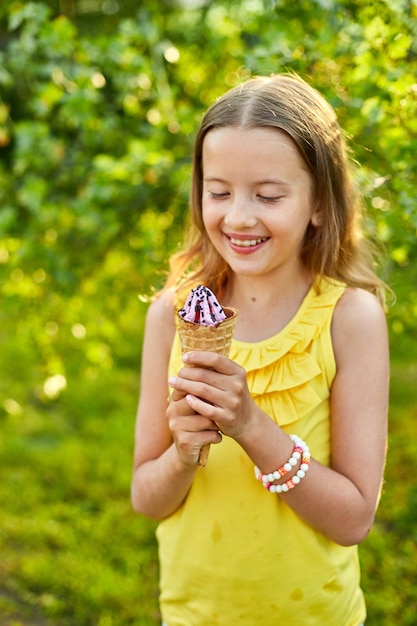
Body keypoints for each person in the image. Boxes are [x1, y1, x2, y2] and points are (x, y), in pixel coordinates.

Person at [131, 73, 390, 626]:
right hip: (192, 614)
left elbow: (353, 521)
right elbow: (145, 499)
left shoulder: (350, 320)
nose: (239, 216)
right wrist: (181, 453)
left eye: (268, 196)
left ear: (319, 203)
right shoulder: (170, 317)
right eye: (219, 192)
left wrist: (252, 427)